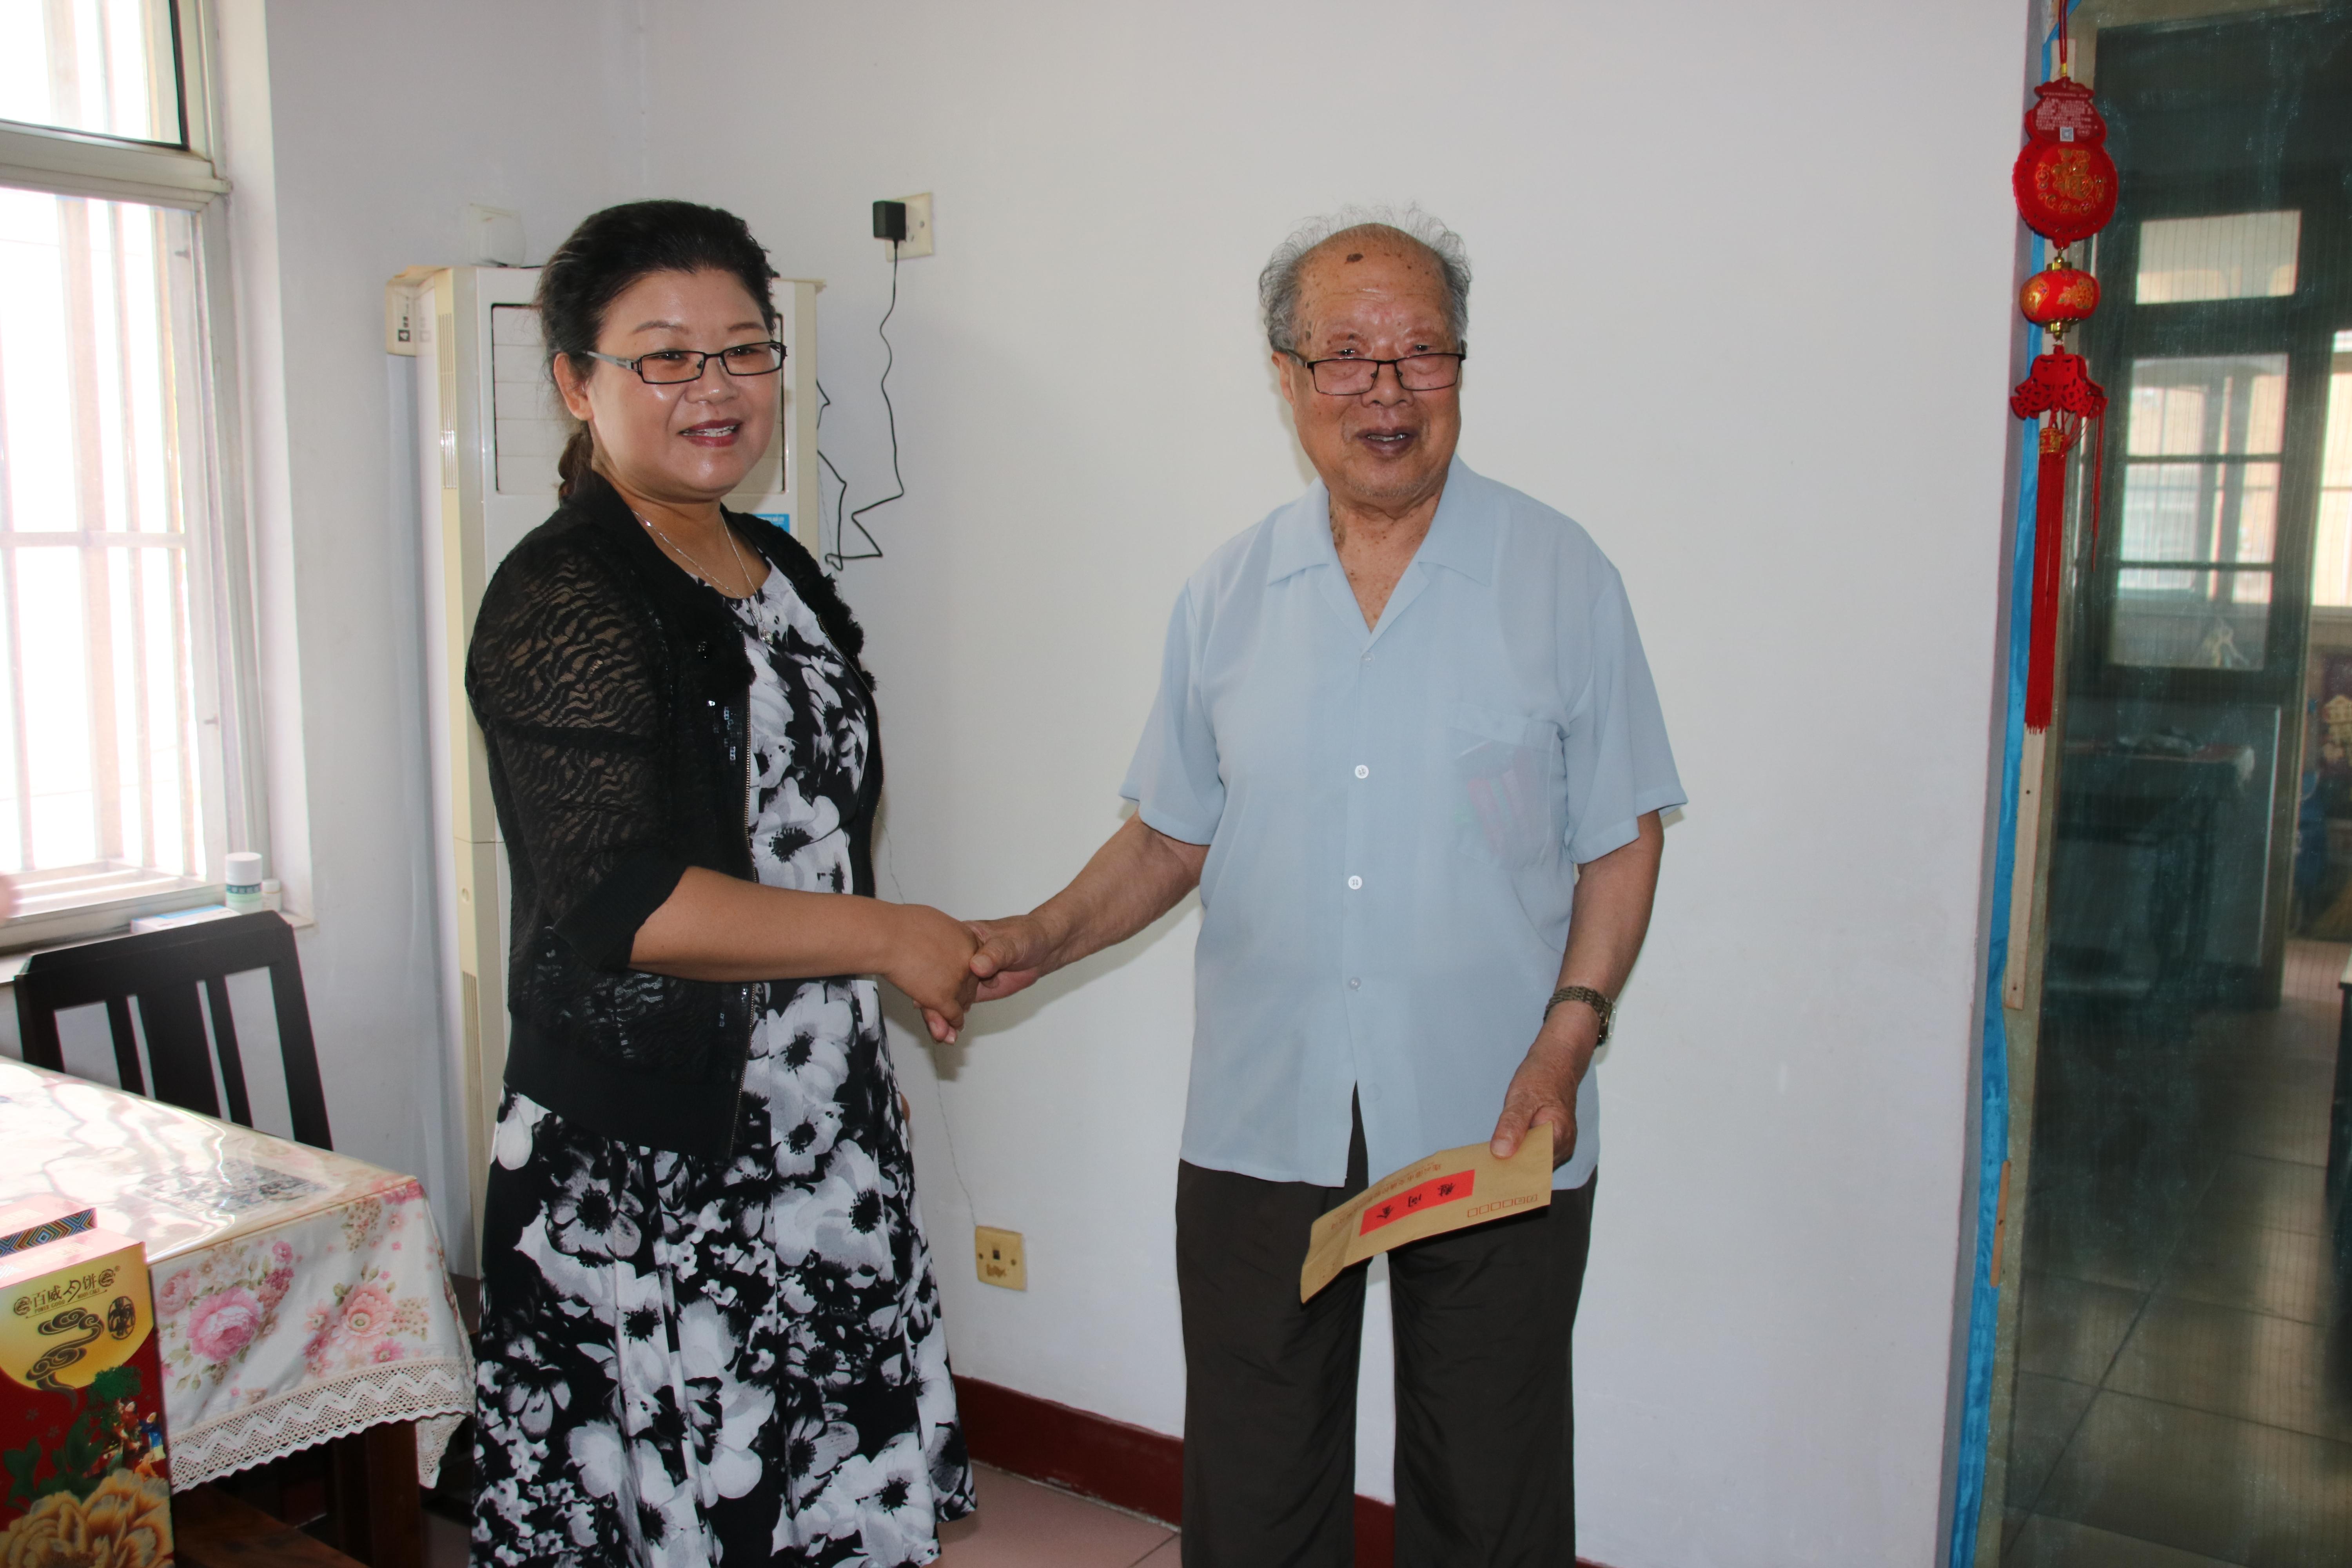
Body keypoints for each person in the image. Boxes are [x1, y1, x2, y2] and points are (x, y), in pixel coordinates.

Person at [966, 207, 1684, 1565]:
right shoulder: (1229, 595)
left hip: (1497, 1107)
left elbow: (1622, 835)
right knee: (1253, 1481)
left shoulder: (1559, 577)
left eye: (1422, 353)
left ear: (1461, 366)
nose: (1387, 390)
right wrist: (1037, 937)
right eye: (1347, 356)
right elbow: (1172, 838)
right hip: (1266, 1108)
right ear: (1288, 378)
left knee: (1491, 1483)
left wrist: (1570, 1034)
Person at [465, 200, 978, 1567]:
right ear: (577, 382)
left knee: (823, 1502)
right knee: (692, 1510)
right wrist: (890, 937)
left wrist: (863, 1008)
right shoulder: (564, 592)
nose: (715, 386)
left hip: (813, 1122)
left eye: (745, 349)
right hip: (654, 1161)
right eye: (665, 355)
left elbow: (811, 825)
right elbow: (624, 903)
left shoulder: (774, 563)